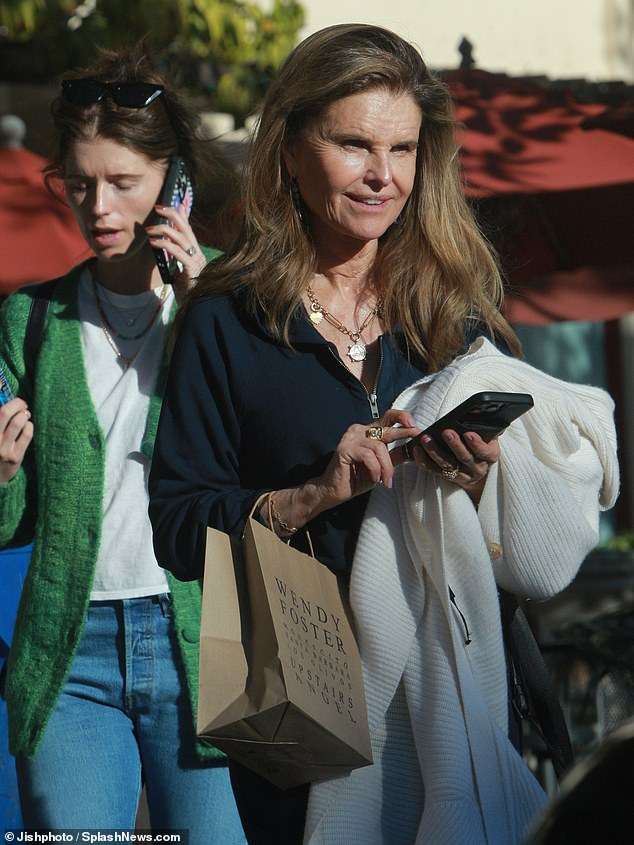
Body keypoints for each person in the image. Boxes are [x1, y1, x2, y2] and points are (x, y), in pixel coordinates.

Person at [148, 23, 618, 845]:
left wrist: (480, 475)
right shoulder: (225, 317)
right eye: (355, 144)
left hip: (456, 707)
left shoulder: (454, 311)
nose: (383, 176)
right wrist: (310, 495)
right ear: (291, 149)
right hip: (307, 716)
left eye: (402, 150)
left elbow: (526, 534)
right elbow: (178, 523)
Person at [0, 47, 245, 841]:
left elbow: (266, 460)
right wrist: (1, 472)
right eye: (80, 183)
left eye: (124, 183)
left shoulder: (231, 306)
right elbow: (12, 523)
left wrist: (201, 305)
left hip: (210, 645)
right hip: (71, 659)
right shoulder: (29, 319)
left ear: (175, 182)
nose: (99, 206)